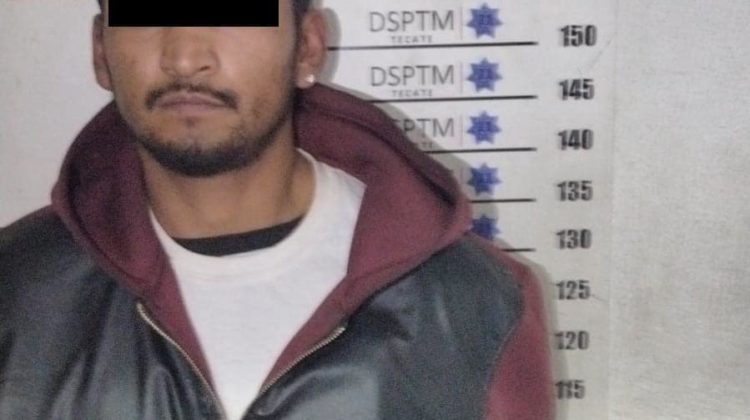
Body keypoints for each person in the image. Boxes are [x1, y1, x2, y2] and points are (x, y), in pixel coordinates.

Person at [0, 0, 552, 418]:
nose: (185, 56)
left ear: (306, 47)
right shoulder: (15, 292)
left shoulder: (477, 303)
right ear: (101, 51)